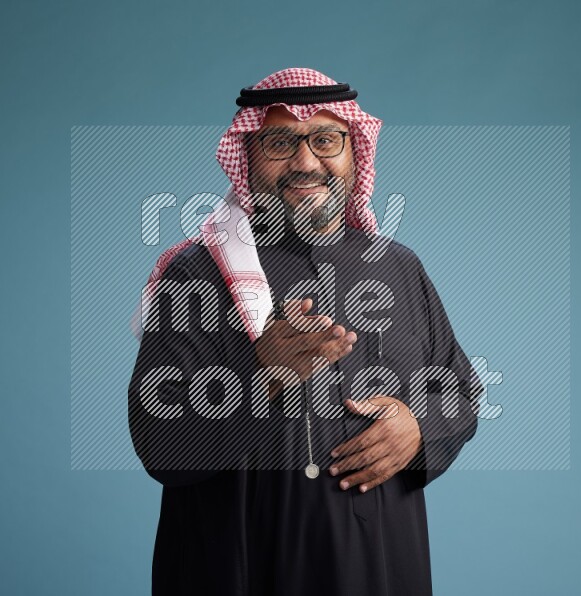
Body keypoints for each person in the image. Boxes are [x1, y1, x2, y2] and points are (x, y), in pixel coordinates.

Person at [128, 67, 483, 595]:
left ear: (354, 151)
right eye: (280, 143)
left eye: (325, 140)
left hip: (380, 568)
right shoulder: (197, 274)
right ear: (247, 156)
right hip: (242, 567)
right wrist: (259, 374)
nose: (305, 162)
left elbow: (456, 390)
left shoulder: (398, 267)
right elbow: (160, 444)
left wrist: (417, 430)